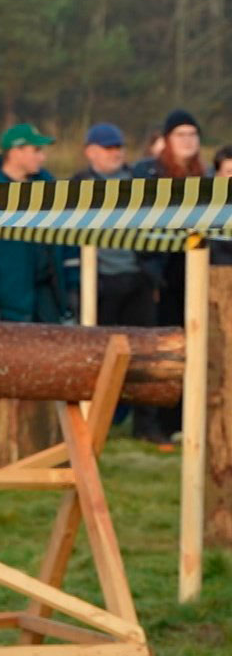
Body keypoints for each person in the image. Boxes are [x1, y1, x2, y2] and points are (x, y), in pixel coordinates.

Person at [71, 122, 167, 444]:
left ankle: (146, 425)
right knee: (96, 355)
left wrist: (152, 274)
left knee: (145, 355)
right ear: (90, 151)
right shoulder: (78, 186)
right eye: (108, 148)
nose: (115, 153)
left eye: (119, 147)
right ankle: (94, 423)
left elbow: (158, 228)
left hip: (137, 279)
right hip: (97, 282)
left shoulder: (139, 183)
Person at [135, 110, 206, 442]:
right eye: (181, 135)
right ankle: (150, 423)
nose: (188, 141)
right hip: (155, 272)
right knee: (157, 350)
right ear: (167, 140)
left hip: (191, 269)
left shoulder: (203, 177)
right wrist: (150, 273)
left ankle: (181, 419)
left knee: (190, 345)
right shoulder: (149, 173)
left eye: (193, 134)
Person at [0, 124, 74, 324]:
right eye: (36, 150)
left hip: (48, 300)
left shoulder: (50, 187)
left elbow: (68, 239)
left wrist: (73, 287)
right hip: (7, 302)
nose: (42, 157)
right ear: (15, 152)